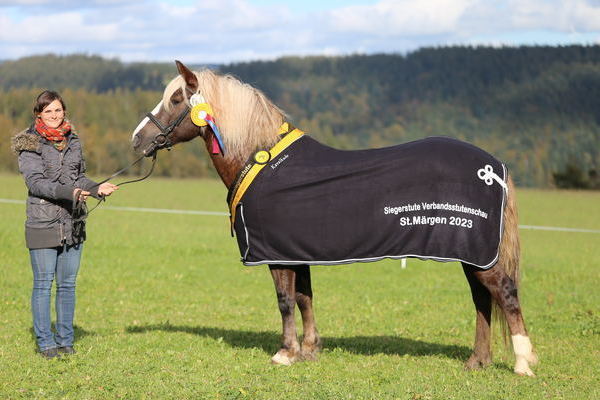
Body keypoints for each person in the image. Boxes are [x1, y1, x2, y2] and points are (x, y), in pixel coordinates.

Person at [11, 90, 118, 359]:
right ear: (39, 114)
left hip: (73, 223)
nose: (54, 116)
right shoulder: (29, 143)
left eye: (58, 110)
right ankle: (45, 343)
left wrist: (95, 188)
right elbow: (35, 183)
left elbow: (78, 177)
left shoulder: (74, 141)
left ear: (64, 111)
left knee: (67, 285)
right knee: (44, 284)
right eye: (48, 111)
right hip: (42, 221)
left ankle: (65, 341)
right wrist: (70, 192)